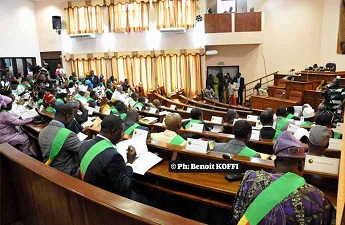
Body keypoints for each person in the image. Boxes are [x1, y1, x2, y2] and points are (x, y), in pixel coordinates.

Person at [231, 131, 335, 225]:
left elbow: (236, 217)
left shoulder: (250, 178)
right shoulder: (319, 199)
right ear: (301, 164)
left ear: (275, 163)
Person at [79, 115, 136, 197]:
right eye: (122, 132)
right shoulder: (114, 157)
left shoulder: (85, 144)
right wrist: (130, 162)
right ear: (114, 132)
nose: (123, 135)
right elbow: (124, 188)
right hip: (102, 198)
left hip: (86, 189)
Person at [38, 104, 81, 177]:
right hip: (66, 174)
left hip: (48, 169)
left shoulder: (42, 131)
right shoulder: (68, 135)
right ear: (67, 117)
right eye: (72, 118)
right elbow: (82, 150)